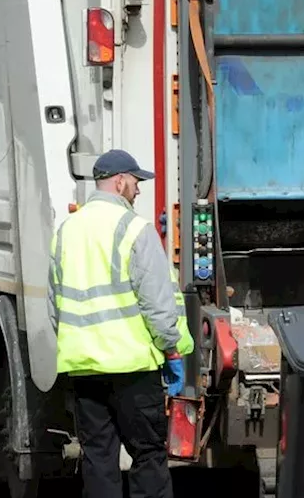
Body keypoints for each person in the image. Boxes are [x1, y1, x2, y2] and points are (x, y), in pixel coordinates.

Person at [48, 148, 195, 498]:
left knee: (99, 457)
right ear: (119, 181)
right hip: (132, 368)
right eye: (135, 181)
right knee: (148, 453)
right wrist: (171, 349)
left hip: (84, 369)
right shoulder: (134, 230)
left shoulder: (66, 231)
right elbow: (157, 303)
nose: (138, 189)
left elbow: (55, 304)